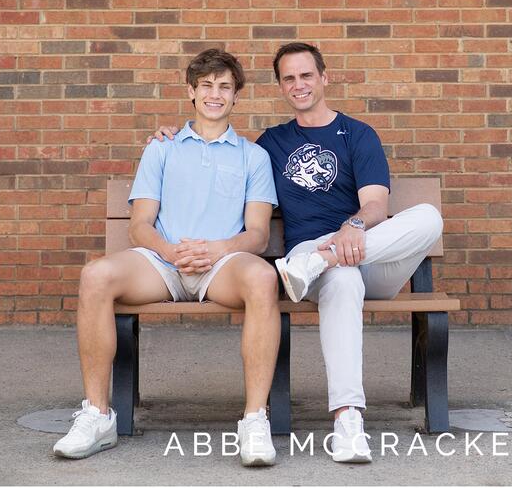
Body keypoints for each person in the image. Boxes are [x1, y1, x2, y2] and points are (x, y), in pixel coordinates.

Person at [151, 42, 444, 464]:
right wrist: (173, 136)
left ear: (324, 78)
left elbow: (377, 205)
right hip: (314, 259)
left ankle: (319, 261)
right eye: (289, 78)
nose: (298, 85)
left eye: (306, 75)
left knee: (428, 217)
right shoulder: (270, 144)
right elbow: (220, 156)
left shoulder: (358, 135)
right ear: (281, 87)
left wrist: (350, 229)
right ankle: (347, 419)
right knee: (342, 278)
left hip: (362, 251)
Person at [55, 49, 281, 467]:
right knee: (95, 275)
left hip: (222, 265)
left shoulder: (254, 156)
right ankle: (96, 416)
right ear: (191, 92)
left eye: (225, 87)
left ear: (237, 96)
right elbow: (139, 225)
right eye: (207, 86)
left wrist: (216, 249)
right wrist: (171, 251)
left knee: (263, 279)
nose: (216, 94)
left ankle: (254, 420)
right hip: (162, 263)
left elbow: (258, 233)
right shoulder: (163, 148)